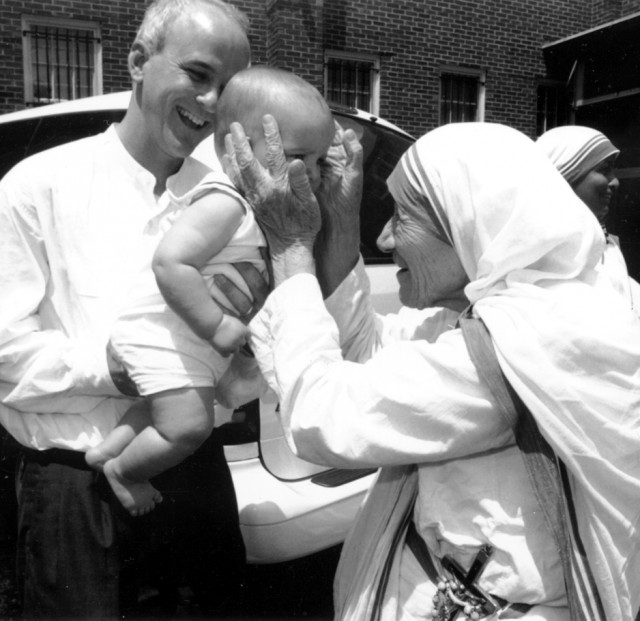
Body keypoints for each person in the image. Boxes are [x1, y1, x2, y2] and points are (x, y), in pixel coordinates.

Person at [220, 120, 640, 620]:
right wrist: (342, 220)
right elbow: (367, 352)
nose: (385, 237)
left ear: (466, 221)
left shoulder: (530, 341)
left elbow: (325, 416)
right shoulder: (518, 306)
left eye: (402, 216)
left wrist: (291, 249)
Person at [0, 0, 253, 617]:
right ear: (139, 61)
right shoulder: (40, 185)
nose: (212, 101)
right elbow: (4, 349)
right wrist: (118, 369)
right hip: (76, 487)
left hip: (195, 472)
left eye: (227, 87)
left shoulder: (228, 197)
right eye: (198, 74)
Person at [87, 65, 335, 517]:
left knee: (162, 410)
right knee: (189, 427)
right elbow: (170, 263)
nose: (311, 174)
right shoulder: (226, 202)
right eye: (298, 156)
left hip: (188, 348)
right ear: (231, 148)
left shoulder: (261, 214)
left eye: (320, 161)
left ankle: (108, 450)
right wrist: (216, 324)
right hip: (164, 337)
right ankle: (124, 472)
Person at [536, 125, 640, 314]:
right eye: (604, 169)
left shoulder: (608, 247)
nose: (615, 181)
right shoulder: (536, 256)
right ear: (565, 177)